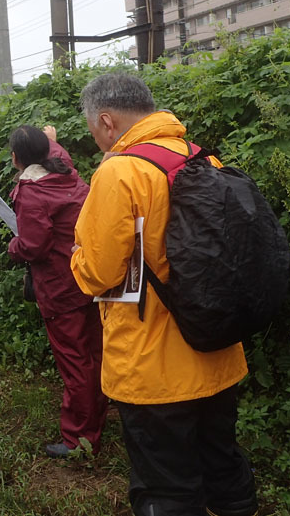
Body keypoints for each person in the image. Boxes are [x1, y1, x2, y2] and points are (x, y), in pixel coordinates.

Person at [70, 73, 258, 516]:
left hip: (151, 366)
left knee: (167, 485)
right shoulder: (200, 158)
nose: (98, 141)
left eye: (95, 131)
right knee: (222, 465)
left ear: (106, 121)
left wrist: (77, 255)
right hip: (216, 349)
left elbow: (98, 274)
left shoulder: (119, 171)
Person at [6, 124, 107, 458]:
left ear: (16, 158)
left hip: (60, 288)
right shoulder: (67, 174)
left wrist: (13, 247)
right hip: (89, 276)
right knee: (94, 353)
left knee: (75, 361)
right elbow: (55, 152)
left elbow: (33, 246)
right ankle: (97, 419)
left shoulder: (32, 192)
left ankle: (79, 438)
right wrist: (50, 138)